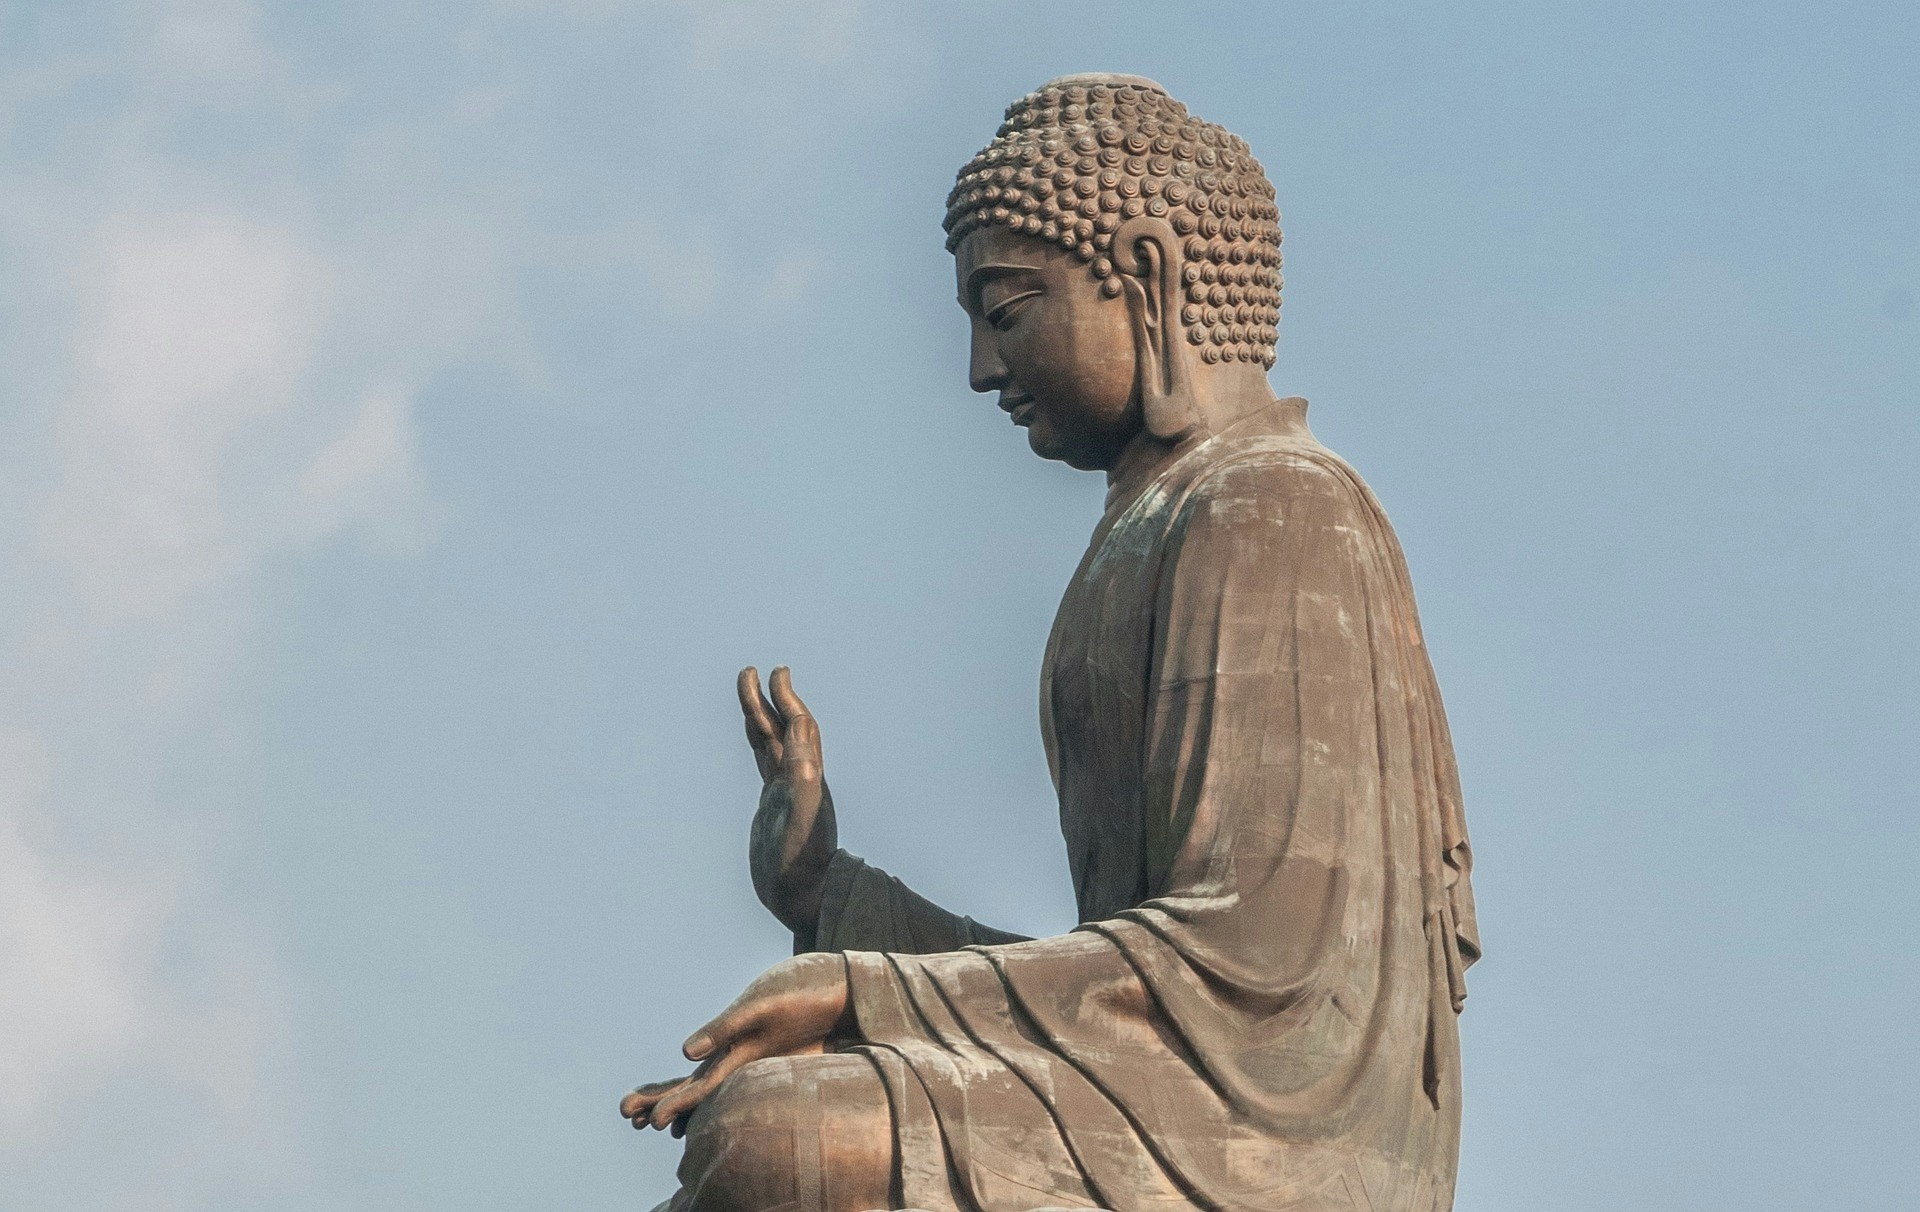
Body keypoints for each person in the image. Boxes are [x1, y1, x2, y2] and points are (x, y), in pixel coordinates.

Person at [620, 73, 1480, 1212]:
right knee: (767, 1121)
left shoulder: (1272, 507)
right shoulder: (1158, 523)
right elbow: (1133, 976)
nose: (982, 366)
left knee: (775, 1135)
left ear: (1147, 275)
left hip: (1273, 1126)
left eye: (1008, 309)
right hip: (1170, 1082)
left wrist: (866, 989)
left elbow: (1250, 973)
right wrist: (832, 895)